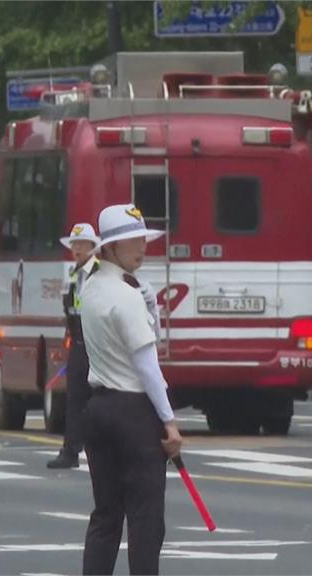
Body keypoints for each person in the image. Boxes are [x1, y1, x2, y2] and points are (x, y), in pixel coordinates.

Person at [79, 204, 181, 575]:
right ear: (110, 248)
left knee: (106, 514)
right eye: (132, 241)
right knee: (145, 517)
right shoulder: (126, 297)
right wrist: (169, 420)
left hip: (98, 407)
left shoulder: (91, 289)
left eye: (142, 239)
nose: (142, 247)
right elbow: (146, 365)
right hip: (133, 410)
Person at [47, 223, 101, 469]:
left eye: (81, 244)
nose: (76, 249)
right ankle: (71, 450)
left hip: (97, 340)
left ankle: (97, 449)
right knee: (75, 397)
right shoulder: (73, 274)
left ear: (92, 246)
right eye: (74, 244)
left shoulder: (98, 272)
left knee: (100, 397)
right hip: (78, 338)